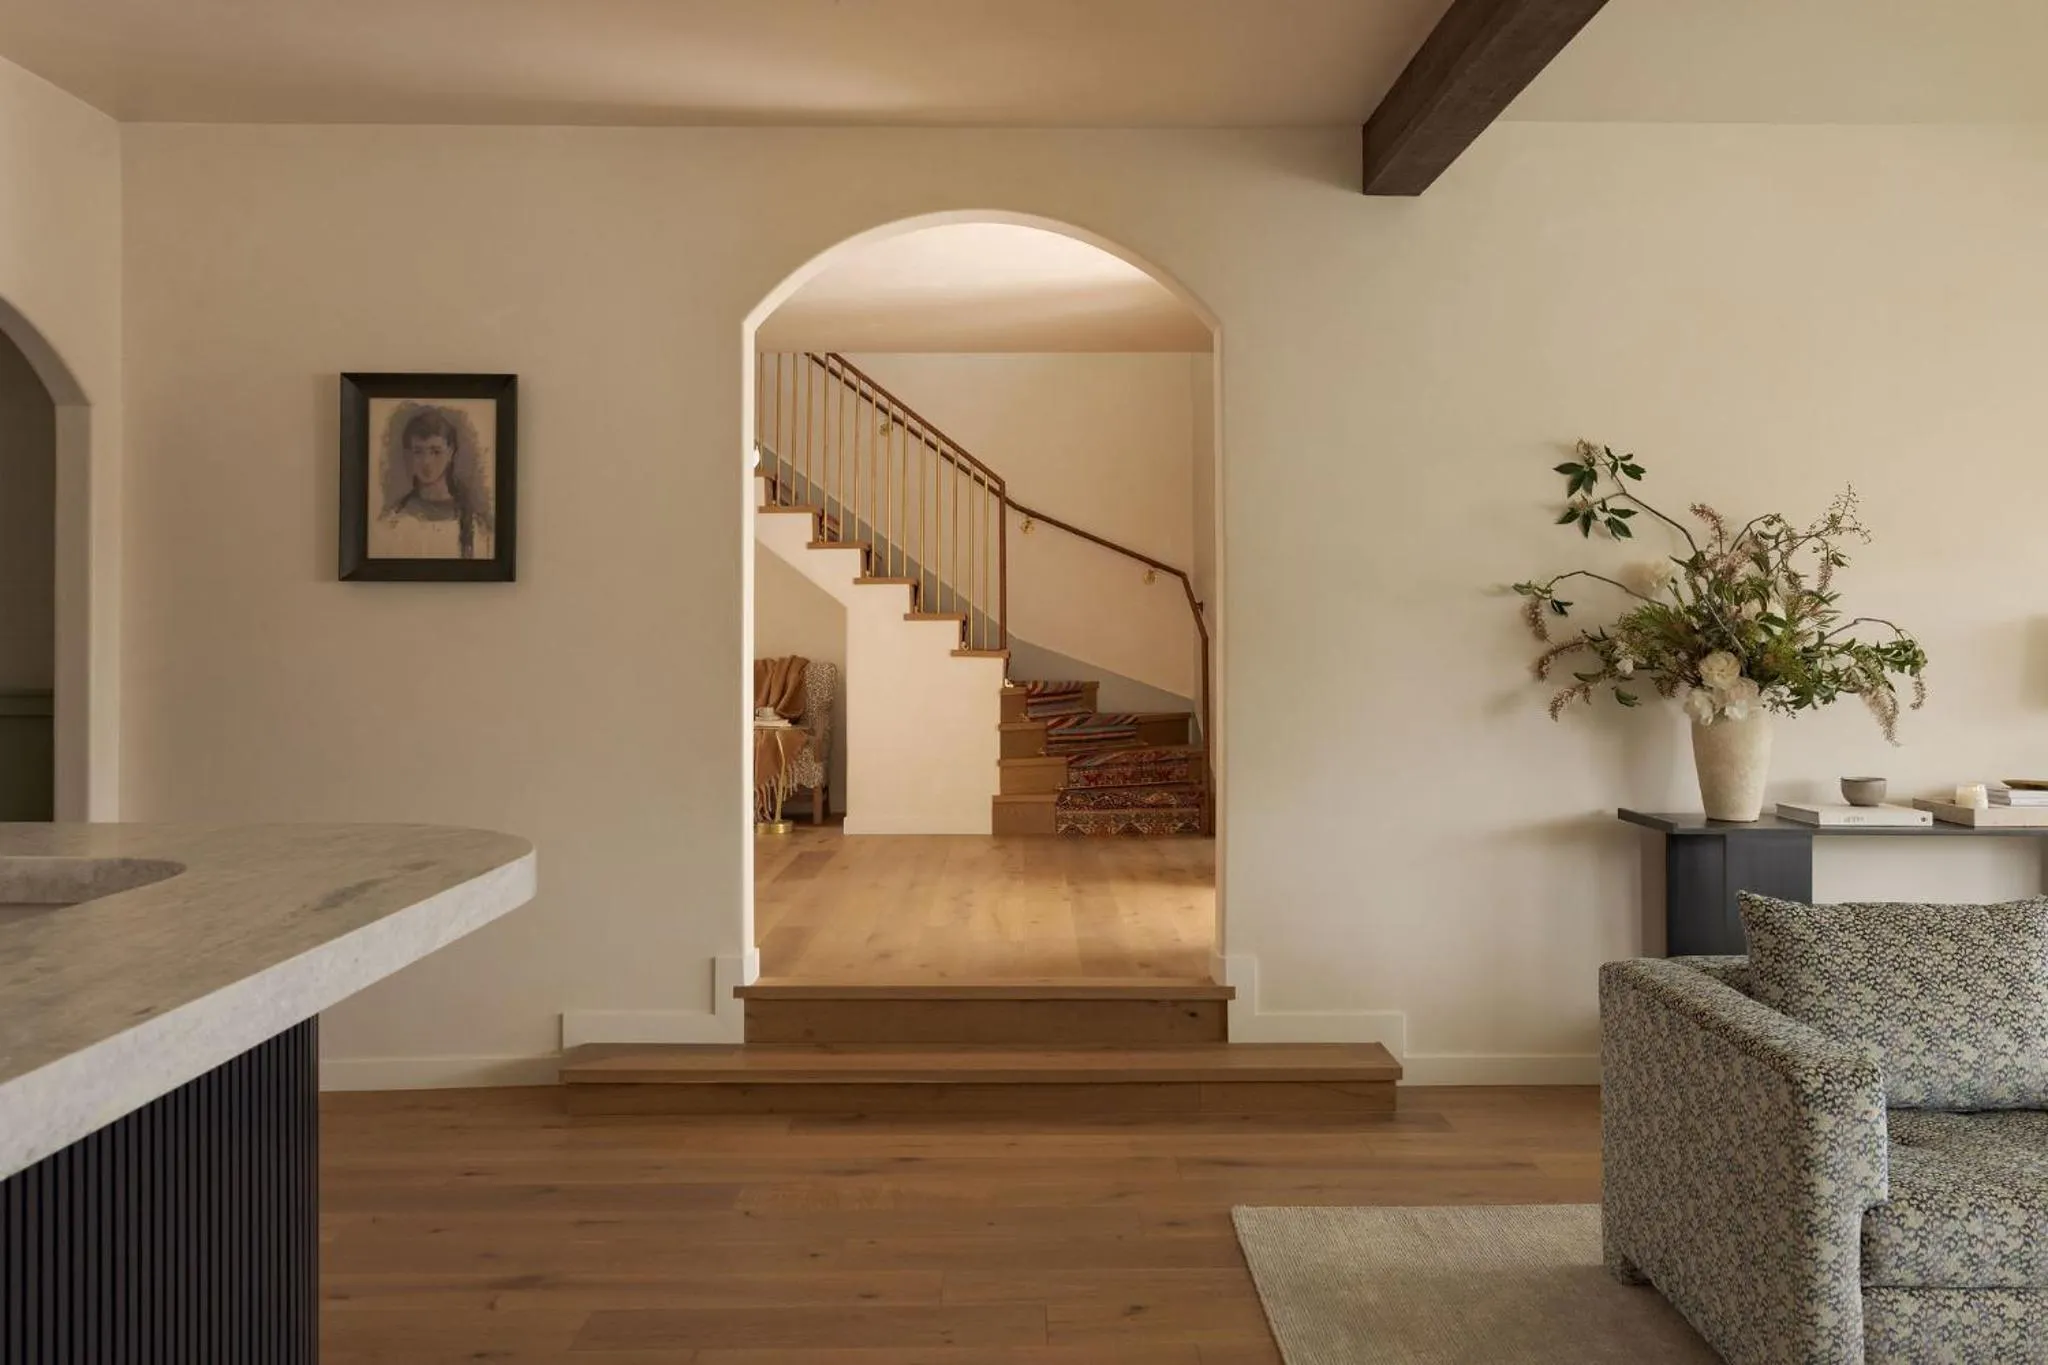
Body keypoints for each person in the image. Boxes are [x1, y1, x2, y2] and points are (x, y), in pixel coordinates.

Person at [378, 406, 494, 559]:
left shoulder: (475, 526)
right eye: (418, 451)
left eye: (435, 451)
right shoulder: (393, 523)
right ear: (409, 455)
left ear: (451, 452)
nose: (427, 462)